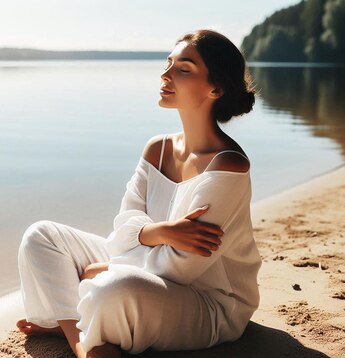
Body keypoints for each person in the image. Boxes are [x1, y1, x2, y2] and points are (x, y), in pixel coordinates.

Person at [16, 29, 261, 358]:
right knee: (41, 236)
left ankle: (71, 318)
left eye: (183, 69)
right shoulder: (157, 149)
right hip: (145, 270)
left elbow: (180, 270)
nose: (165, 75)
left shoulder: (228, 166)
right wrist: (158, 231)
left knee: (109, 289)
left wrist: (102, 268)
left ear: (215, 88)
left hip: (207, 304)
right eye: (168, 63)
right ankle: (81, 337)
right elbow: (122, 232)